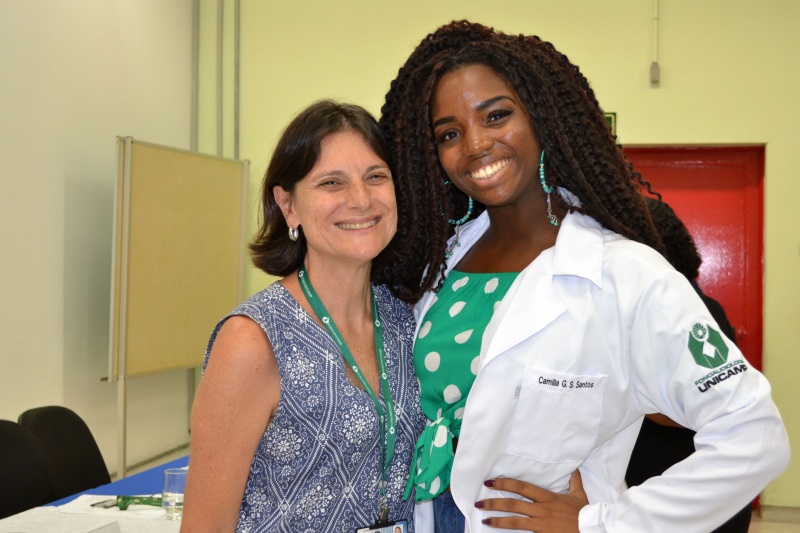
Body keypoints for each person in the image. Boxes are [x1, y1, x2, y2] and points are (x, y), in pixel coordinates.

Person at [380, 20, 789, 533]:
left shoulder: (624, 273)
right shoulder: (435, 265)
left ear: (543, 119)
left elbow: (754, 437)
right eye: (449, 133)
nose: (475, 145)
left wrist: (602, 522)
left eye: (497, 116)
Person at [181, 100, 426, 532]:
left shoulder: (409, 319)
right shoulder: (253, 340)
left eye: (376, 177)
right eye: (331, 182)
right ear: (288, 205)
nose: (361, 199)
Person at [625, 197, 752, 533]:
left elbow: (714, 406)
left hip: (682, 485)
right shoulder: (699, 305)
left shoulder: (692, 312)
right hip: (678, 486)